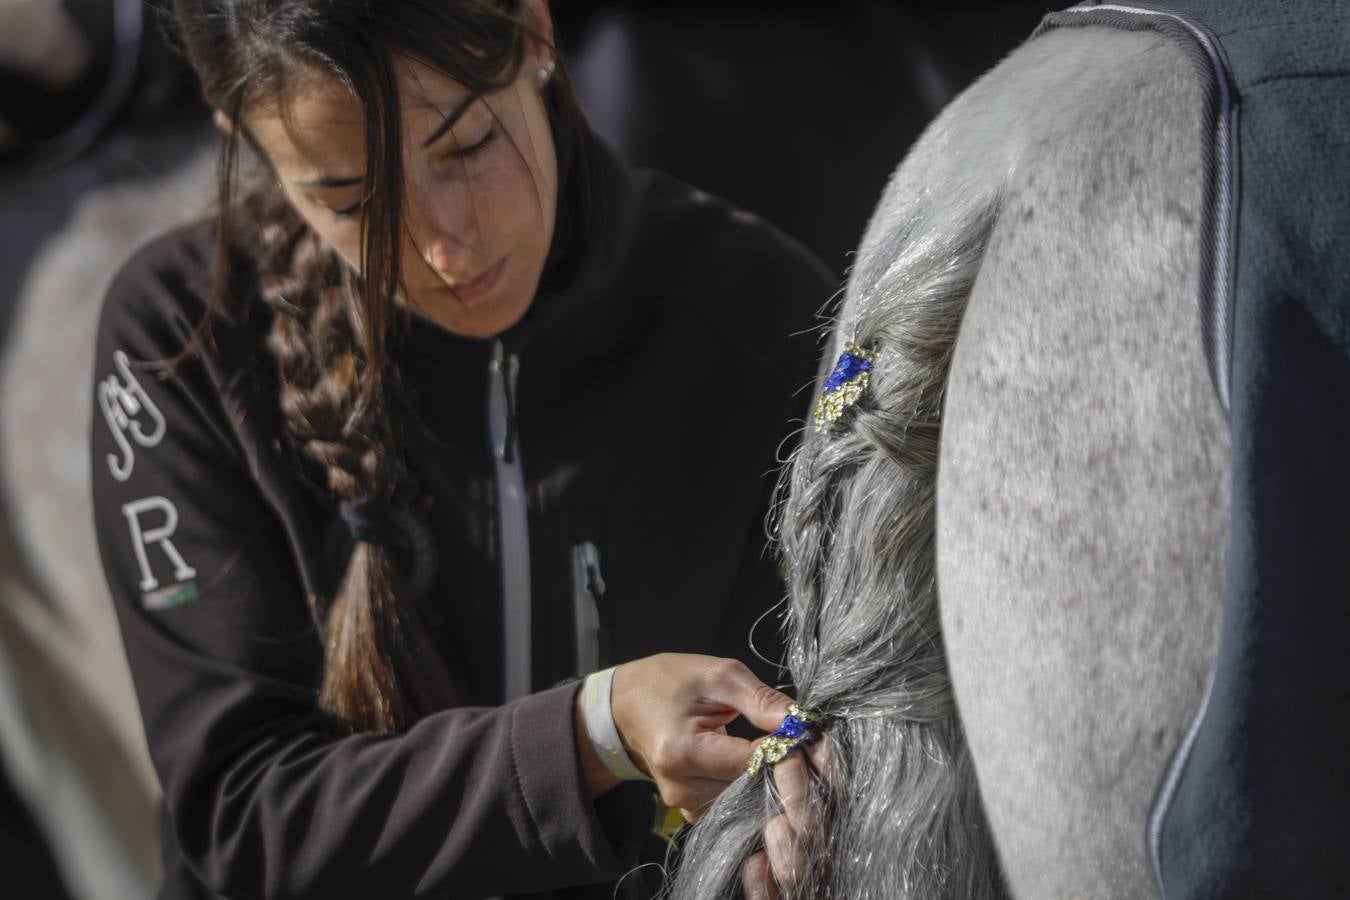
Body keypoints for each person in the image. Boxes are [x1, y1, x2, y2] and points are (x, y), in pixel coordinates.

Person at [88, 0, 836, 897]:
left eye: (469, 145)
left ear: (534, 34)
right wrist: (595, 736)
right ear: (249, 143)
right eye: (351, 200)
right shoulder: (179, 337)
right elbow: (244, 818)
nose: (444, 245)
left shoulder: (766, 319)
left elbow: (855, 719)